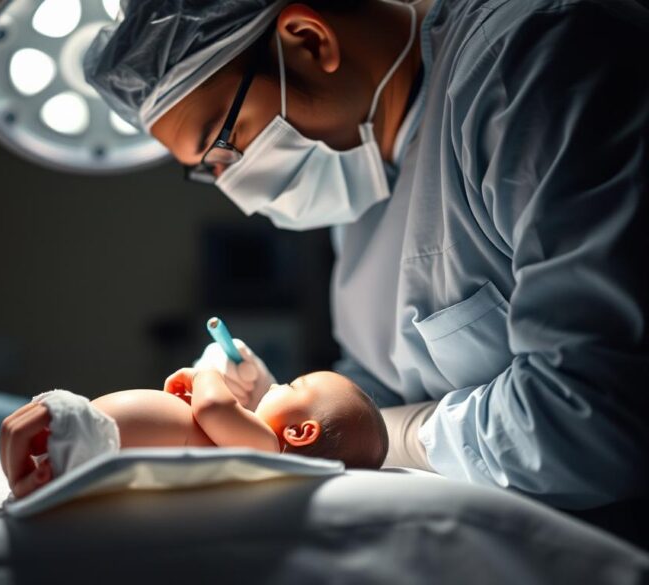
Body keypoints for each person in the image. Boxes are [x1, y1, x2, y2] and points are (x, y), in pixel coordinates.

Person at [78, 0, 649, 511]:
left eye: (221, 144)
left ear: (308, 39)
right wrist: (278, 403)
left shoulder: (537, 59)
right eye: (205, 173)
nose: (234, 188)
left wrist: (385, 435)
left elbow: (595, 423)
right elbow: (378, 383)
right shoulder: (358, 181)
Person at [0, 368, 388, 499]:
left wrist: (208, 376)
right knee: (38, 466)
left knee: (36, 460)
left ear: (301, 432)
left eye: (291, 386)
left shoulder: (266, 446)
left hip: (97, 443)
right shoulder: (241, 440)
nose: (275, 385)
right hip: (93, 439)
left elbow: (212, 406)